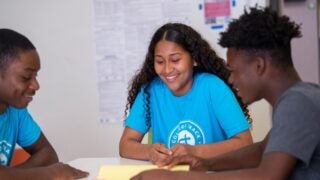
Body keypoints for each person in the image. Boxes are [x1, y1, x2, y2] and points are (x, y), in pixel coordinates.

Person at [131, 7, 320, 180]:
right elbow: (260, 150)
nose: (230, 79)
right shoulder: (302, 97)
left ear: (258, 66)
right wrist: (205, 163)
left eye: (233, 70)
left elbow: (266, 176)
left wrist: (173, 178)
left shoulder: (298, 103)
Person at [119, 23, 253, 167]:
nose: (167, 69)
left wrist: (194, 151)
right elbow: (125, 145)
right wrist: (149, 151)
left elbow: (245, 143)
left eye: (175, 60)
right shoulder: (150, 92)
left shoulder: (213, 87)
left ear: (194, 59)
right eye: (159, 61)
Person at [0, 28, 88, 179]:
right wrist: (51, 173)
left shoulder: (16, 111)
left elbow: (47, 153)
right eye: (26, 77)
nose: (36, 85)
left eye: (35, 76)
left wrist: (12, 176)